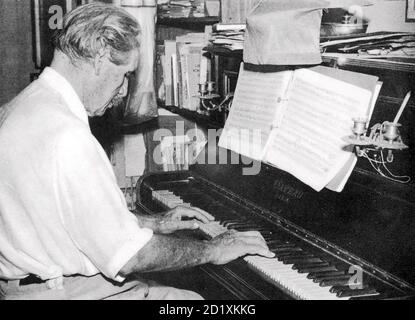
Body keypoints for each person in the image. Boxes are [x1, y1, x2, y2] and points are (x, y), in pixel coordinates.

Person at [0, 3, 274, 300]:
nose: (122, 93)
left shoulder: (24, 106)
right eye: (125, 75)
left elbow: (71, 221)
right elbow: (130, 257)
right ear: (101, 56)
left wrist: (153, 223)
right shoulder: (68, 136)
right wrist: (215, 248)